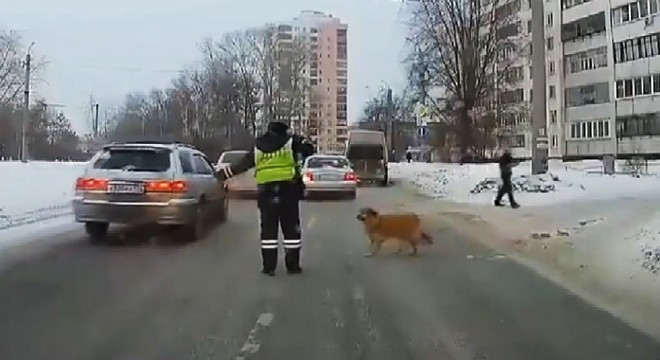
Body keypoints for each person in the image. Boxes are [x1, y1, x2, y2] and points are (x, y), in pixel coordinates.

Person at [214, 121, 316, 276]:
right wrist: (301, 139)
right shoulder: (291, 141)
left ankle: (269, 267)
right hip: (288, 190)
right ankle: (292, 266)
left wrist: (221, 175)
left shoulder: (258, 145)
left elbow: (242, 165)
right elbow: (310, 150)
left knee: (268, 231)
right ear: (284, 130)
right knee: (291, 230)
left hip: (266, 192)